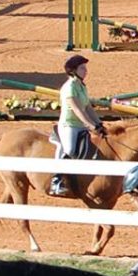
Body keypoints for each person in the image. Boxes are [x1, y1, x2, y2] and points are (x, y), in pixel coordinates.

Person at [48, 54, 107, 198]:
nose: (85, 71)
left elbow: (88, 108)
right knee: (69, 149)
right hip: (69, 125)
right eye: (82, 68)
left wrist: (98, 123)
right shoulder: (69, 87)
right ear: (73, 71)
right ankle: (57, 180)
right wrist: (89, 125)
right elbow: (76, 109)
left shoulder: (81, 87)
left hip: (81, 125)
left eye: (85, 68)